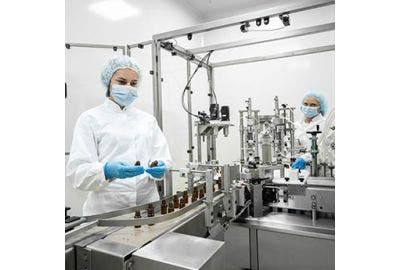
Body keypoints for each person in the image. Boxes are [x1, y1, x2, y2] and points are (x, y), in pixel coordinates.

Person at [66, 55, 172, 216]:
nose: (128, 87)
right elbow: (77, 173)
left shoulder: (148, 120)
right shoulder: (90, 119)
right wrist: (107, 170)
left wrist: (160, 167)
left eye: (134, 83)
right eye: (122, 82)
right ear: (108, 82)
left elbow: (163, 157)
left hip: (147, 207)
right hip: (106, 211)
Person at [292, 91, 328, 169]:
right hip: (296, 168)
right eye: (305, 104)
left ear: (320, 108)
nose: (308, 107)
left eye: (313, 105)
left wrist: (304, 158)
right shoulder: (297, 125)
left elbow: (325, 152)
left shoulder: (325, 125)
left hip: (318, 170)